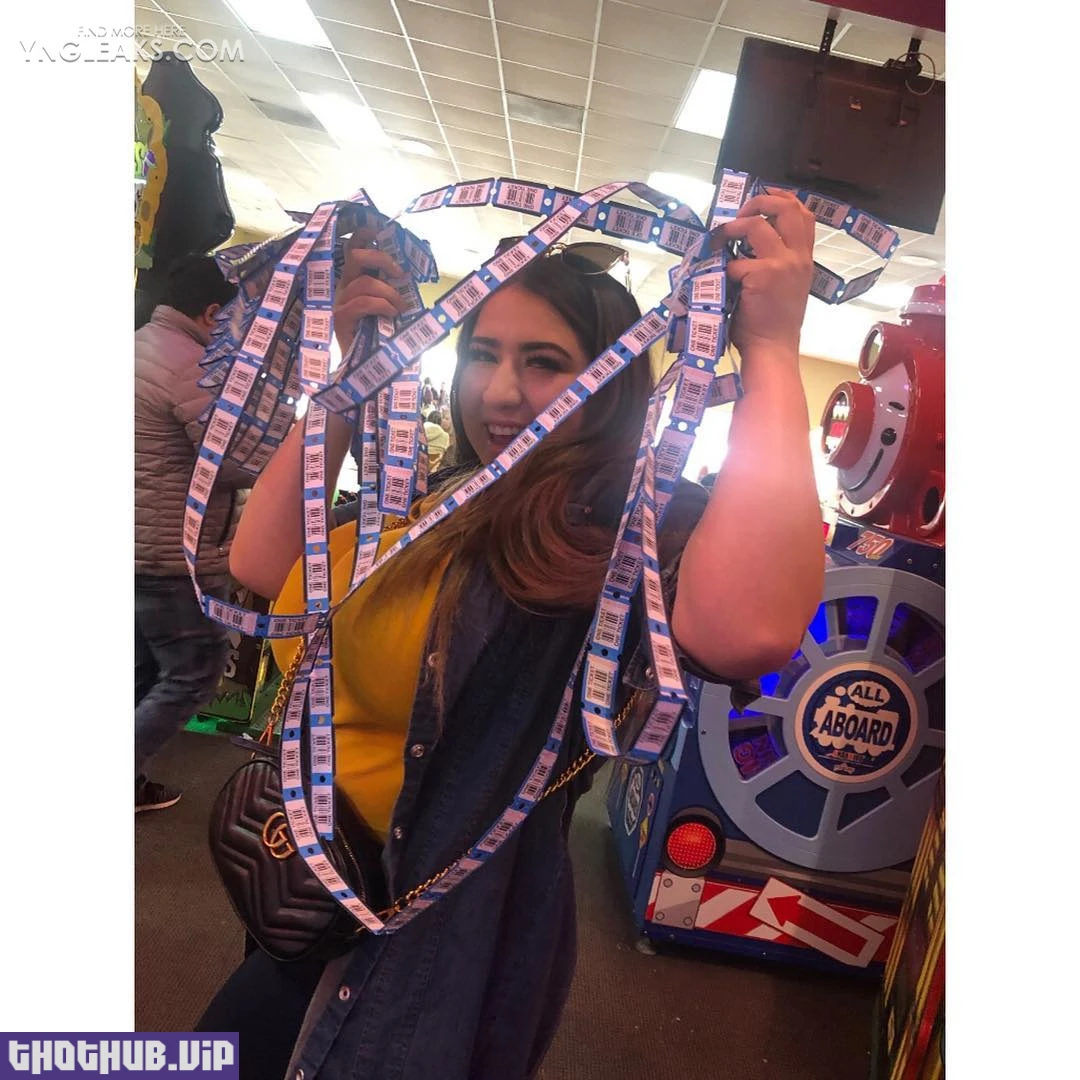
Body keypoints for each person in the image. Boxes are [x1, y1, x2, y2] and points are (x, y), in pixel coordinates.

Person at [197, 190, 825, 1078]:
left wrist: (770, 351)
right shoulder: (441, 497)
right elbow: (265, 567)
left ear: (609, 382)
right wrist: (349, 380)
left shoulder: (604, 535)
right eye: (482, 354)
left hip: (412, 950)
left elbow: (748, 632)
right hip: (301, 893)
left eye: (544, 363)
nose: (497, 391)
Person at [134, 253, 247, 812]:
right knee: (193, 673)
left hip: (137, 544)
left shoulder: (140, 344)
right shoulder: (193, 367)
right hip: (173, 556)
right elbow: (235, 461)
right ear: (211, 314)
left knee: (141, 671)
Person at [423, 407, 451, 472]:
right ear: (440, 421)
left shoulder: (421, 430)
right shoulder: (446, 436)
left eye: (447, 419)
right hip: (434, 470)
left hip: (419, 465)